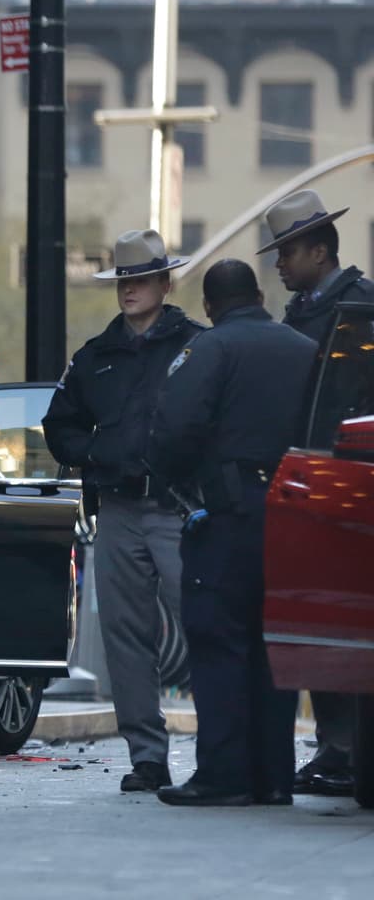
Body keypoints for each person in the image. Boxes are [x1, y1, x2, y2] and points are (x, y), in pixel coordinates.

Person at [147, 259, 317, 807]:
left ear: (210, 306)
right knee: (274, 644)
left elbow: (173, 429)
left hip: (228, 511)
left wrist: (178, 484)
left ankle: (223, 774)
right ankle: (273, 777)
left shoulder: (209, 349)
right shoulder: (303, 348)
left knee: (218, 638)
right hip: (295, 511)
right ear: (260, 294)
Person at [42, 229, 205, 794]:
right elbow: (58, 426)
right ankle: (148, 759)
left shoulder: (196, 346)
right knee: (125, 638)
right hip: (117, 510)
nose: (130, 289)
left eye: (141, 279)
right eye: (123, 280)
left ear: (165, 281)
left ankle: (219, 754)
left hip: (180, 510)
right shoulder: (95, 357)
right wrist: (96, 453)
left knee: (204, 627)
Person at [257, 189, 374, 798]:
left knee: (348, 626)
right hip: (309, 487)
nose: (279, 264)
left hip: (352, 485)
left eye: (287, 252)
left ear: (319, 250)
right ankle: (336, 747)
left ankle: (351, 750)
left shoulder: (363, 310)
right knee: (321, 627)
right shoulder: (302, 315)